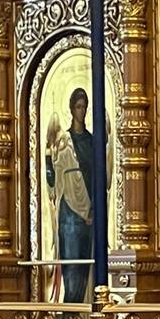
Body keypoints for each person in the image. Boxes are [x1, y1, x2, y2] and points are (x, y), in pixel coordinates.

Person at [46, 88, 98, 304]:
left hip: (88, 214)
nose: (81, 111)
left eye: (84, 107)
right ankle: (70, 311)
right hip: (69, 214)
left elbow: (96, 177)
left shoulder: (91, 141)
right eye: (78, 107)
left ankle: (81, 311)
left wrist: (93, 209)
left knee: (84, 266)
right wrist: (48, 159)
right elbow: (53, 179)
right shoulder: (63, 141)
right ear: (71, 109)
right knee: (71, 266)